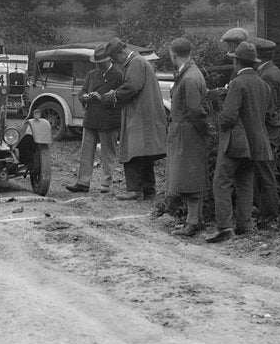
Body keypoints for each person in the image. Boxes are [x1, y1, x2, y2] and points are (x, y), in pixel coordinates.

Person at [208, 41, 273, 243]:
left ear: (236, 61)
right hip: (257, 143)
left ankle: (225, 226)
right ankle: (245, 224)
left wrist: (218, 113)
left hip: (235, 142)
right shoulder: (264, 85)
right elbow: (268, 114)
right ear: (253, 63)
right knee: (245, 182)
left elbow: (228, 117)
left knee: (222, 182)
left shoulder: (237, 83)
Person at [101, 37, 167, 200]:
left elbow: (132, 86)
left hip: (139, 115)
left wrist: (114, 95)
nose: (116, 63)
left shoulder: (136, 63)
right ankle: (148, 190)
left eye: (116, 59)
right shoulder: (139, 62)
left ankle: (134, 190)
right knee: (144, 153)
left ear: (122, 53)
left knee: (131, 150)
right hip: (144, 114)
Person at [164, 37, 210, 237]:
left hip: (188, 131)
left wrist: (202, 131)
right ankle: (195, 219)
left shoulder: (190, 77)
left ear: (173, 54)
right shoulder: (190, 73)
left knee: (189, 177)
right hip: (186, 130)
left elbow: (194, 109)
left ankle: (192, 222)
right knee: (187, 175)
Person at [65, 43, 123, 194]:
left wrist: (101, 98)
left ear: (109, 60)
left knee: (108, 153)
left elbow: (121, 98)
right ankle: (82, 182)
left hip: (109, 121)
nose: (98, 66)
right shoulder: (92, 75)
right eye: (96, 63)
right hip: (91, 119)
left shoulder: (118, 76)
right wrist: (84, 97)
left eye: (101, 63)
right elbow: (82, 91)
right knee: (86, 152)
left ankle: (106, 184)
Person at [253, 36, 280, 225]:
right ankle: (265, 212)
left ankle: (270, 215)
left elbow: (268, 108)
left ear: (257, 55)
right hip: (272, 127)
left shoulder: (267, 76)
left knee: (265, 173)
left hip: (269, 129)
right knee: (265, 171)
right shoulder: (272, 71)